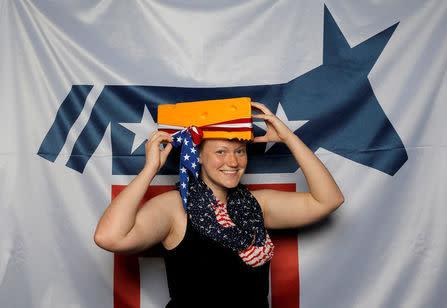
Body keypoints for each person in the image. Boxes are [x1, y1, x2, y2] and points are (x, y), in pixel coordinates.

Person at [94, 102, 344, 307]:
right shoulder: (174, 207)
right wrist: (150, 170)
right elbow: (109, 237)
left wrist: (288, 137)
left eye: (240, 151)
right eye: (221, 152)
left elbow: (329, 200)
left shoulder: (257, 204)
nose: (233, 162)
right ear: (198, 155)